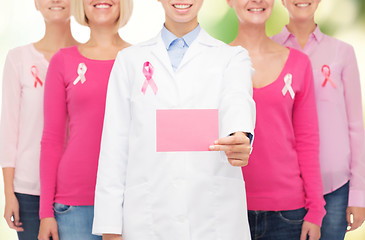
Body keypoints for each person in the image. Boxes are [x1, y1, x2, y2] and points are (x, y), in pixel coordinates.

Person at [92, 0, 256, 239]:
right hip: (148, 221)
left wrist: (240, 135)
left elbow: (238, 99)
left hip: (212, 221)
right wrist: (110, 228)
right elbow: (114, 150)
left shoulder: (232, 58)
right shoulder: (129, 61)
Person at [227, 0, 326, 239]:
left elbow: (307, 141)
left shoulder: (299, 64)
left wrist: (315, 210)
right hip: (228, 208)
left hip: (288, 214)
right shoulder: (213, 64)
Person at [37, 0, 133, 239]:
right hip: (74, 204)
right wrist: (45, 212)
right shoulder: (63, 61)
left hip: (130, 200)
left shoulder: (140, 60)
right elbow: (52, 139)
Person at [272, 0, 365, 239]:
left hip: (335, 188)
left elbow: (356, 126)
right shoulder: (269, 49)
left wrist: (358, 194)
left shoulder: (342, 52)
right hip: (284, 188)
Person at [0, 0, 78, 239]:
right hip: (29, 192)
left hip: (77, 189)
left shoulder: (87, 59)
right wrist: (9, 192)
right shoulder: (18, 59)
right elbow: (8, 129)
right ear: (35, 4)